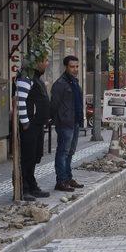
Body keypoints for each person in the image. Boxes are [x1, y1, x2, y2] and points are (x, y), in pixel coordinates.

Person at [16, 57, 52, 200]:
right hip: (29, 126)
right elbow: (21, 101)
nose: (47, 63)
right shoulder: (25, 78)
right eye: (45, 60)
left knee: (34, 157)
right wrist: (25, 122)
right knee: (27, 158)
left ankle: (32, 186)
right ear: (36, 63)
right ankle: (24, 189)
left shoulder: (36, 78)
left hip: (36, 125)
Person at [50, 55, 85, 192]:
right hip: (65, 123)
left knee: (70, 152)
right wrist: (57, 119)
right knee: (63, 152)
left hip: (74, 122)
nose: (75, 69)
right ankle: (61, 181)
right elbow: (54, 105)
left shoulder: (74, 82)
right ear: (66, 67)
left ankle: (68, 178)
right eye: (72, 67)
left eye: (77, 66)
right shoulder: (60, 84)